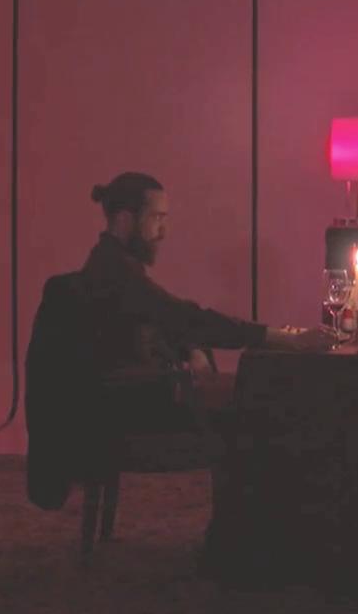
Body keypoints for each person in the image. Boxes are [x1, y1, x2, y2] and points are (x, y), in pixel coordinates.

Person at [81, 171, 333, 430]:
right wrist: (284, 338)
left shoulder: (112, 265)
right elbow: (184, 317)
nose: (163, 231)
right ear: (124, 220)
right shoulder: (114, 273)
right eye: (156, 218)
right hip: (141, 415)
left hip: (145, 401)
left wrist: (191, 347)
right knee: (271, 402)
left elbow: (162, 318)